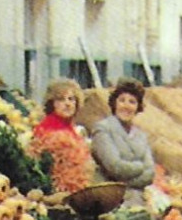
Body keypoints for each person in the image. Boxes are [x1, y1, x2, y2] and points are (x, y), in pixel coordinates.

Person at [90, 78, 157, 206]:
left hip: (138, 198)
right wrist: (140, 166)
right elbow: (115, 167)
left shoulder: (141, 136)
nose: (126, 106)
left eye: (132, 102)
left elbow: (150, 173)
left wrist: (128, 179)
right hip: (109, 200)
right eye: (122, 100)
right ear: (114, 104)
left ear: (138, 107)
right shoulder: (103, 129)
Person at [30, 77, 92, 193]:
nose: (67, 104)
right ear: (52, 103)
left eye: (71, 99)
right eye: (61, 100)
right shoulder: (48, 130)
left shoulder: (71, 129)